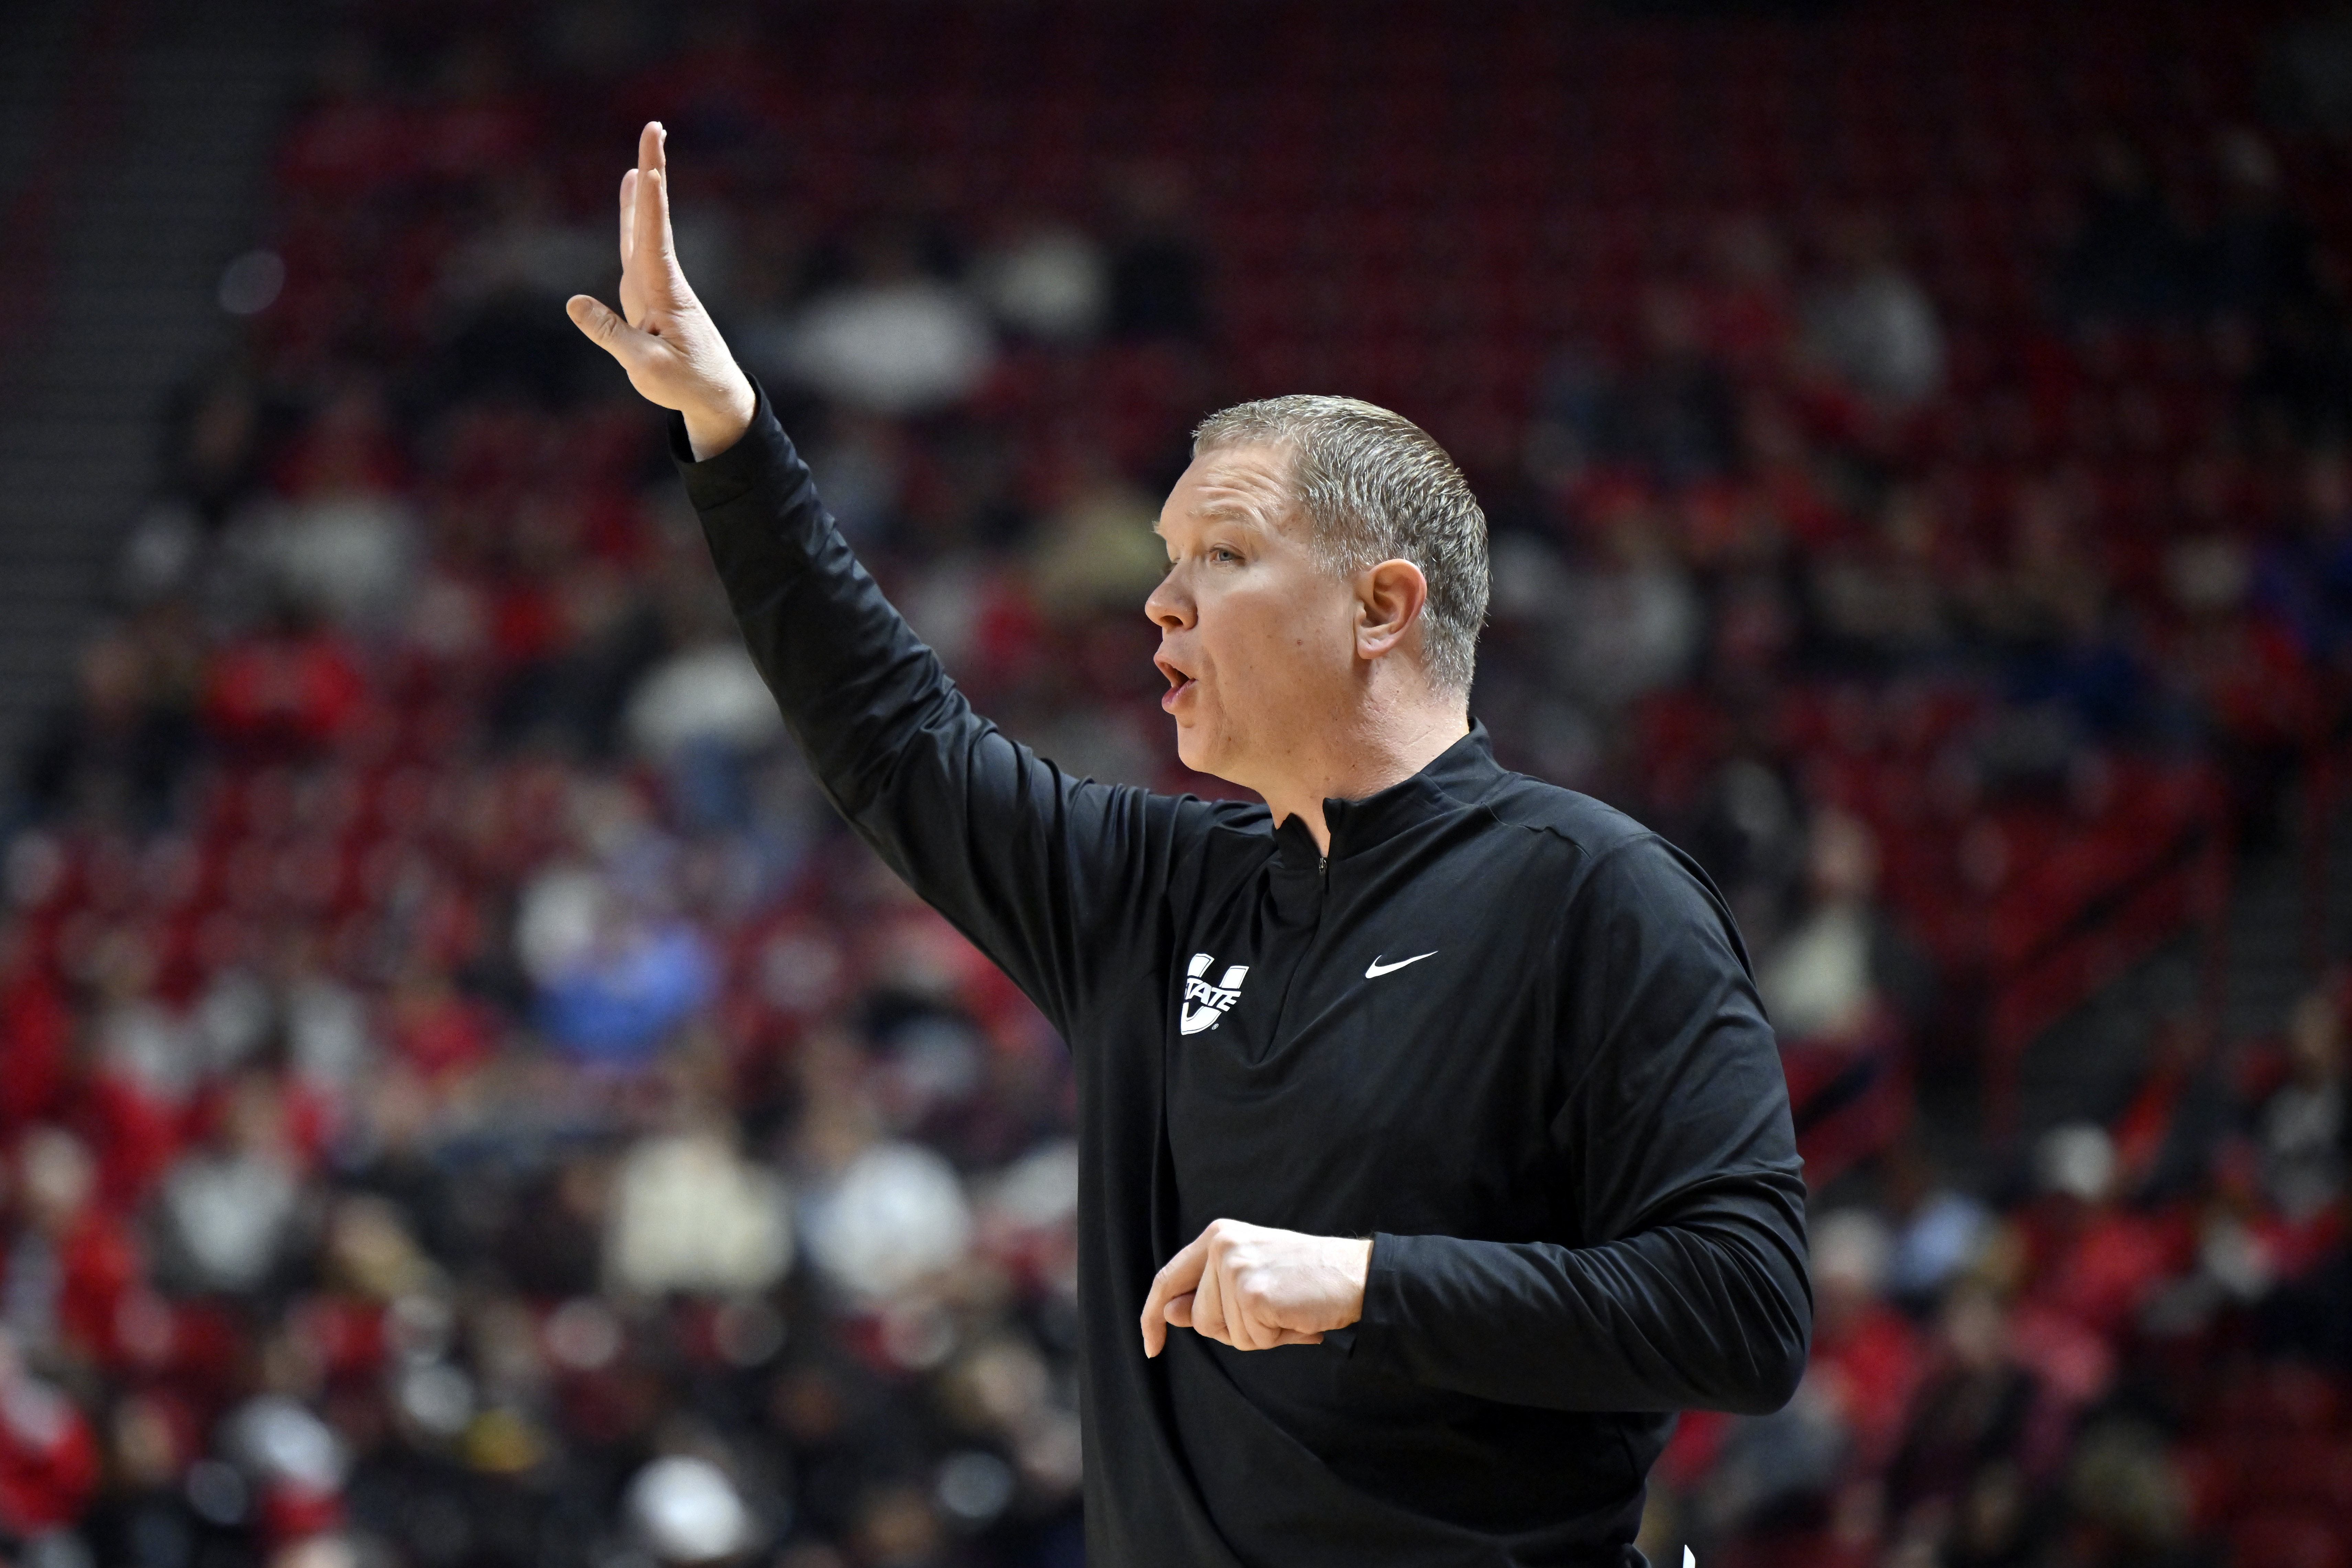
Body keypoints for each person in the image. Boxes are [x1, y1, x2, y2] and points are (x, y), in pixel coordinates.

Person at [566, 123, 1810, 1568]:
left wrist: (1364, 1281)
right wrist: (729, 435)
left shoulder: (1594, 894)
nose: (1159, 603)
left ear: (1381, 606)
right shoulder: (1157, 894)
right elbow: (899, 741)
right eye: (1163, 560)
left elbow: (1746, 1310)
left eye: (1219, 556)